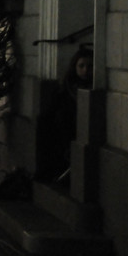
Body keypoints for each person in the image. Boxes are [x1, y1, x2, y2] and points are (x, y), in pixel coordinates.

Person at [36, 46, 93, 183]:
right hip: (66, 125)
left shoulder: (93, 87)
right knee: (46, 122)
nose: (85, 70)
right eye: (81, 66)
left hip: (81, 125)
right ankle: (47, 170)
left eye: (89, 66)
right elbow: (53, 108)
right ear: (75, 67)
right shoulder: (67, 86)